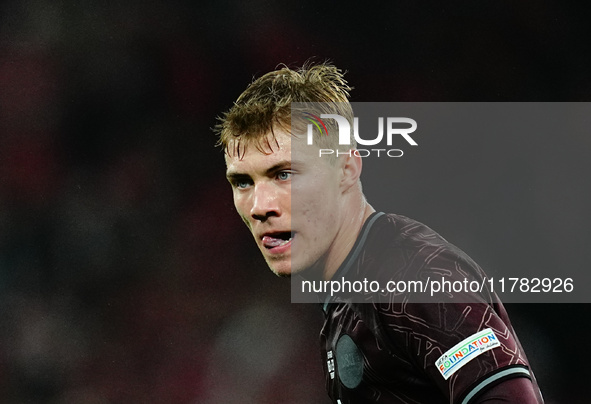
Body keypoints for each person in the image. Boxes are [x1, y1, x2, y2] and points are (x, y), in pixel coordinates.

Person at [215, 62, 544, 404]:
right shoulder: (350, 292)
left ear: (346, 169)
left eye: (283, 174)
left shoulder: (411, 276)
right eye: (242, 182)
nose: (259, 205)